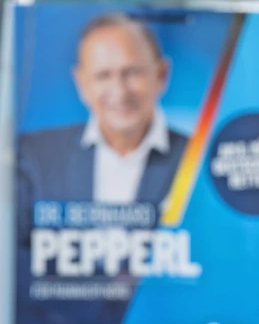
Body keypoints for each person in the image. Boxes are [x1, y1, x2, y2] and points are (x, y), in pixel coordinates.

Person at [17, 11, 189, 206]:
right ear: (81, 83)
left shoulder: (198, 160)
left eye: (132, 72)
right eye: (103, 76)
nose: (120, 91)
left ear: (161, 74)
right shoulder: (33, 156)